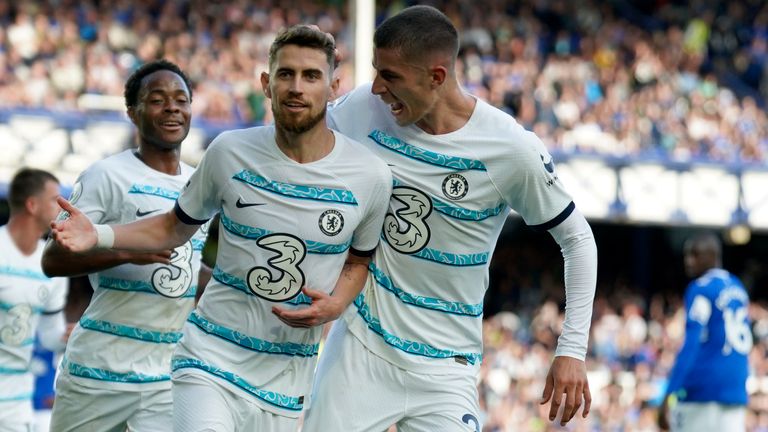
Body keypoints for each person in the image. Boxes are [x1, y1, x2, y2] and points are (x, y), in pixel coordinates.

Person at [50, 25, 392, 432]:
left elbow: (359, 262)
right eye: (286, 74)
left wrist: (336, 304)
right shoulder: (230, 151)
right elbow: (172, 229)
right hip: (208, 360)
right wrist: (101, 237)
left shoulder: (370, 176)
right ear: (266, 83)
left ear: (334, 86)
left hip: (285, 380)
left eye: (311, 76)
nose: (296, 87)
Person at [299, 6, 598, 431]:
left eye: (392, 76)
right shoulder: (361, 110)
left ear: (437, 77)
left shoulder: (509, 149)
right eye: (376, 71)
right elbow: (293, 145)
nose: (378, 88)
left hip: (447, 367)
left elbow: (579, 240)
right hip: (361, 349)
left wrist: (572, 349)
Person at [42, 59, 210, 432]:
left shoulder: (200, 185)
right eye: (157, 99)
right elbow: (52, 260)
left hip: (165, 378)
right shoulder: (107, 175)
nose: (172, 108)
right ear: (132, 112)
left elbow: (188, 268)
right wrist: (130, 251)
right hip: (96, 373)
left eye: (181, 99)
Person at [658, 233, 752, 432]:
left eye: (695, 255)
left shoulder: (701, 289)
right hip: (735, 388)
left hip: (702, 389)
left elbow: (692, 342)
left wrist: (669, 393)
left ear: (713, 255)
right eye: (687, 255)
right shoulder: (737, 286)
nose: (689, 261)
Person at [0, 168, 69, 432]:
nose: (63, 206)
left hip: (17, 405)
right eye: (55, 199)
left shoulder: (52, 263)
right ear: (32, 205)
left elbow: (50, 336)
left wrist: (67, 335)